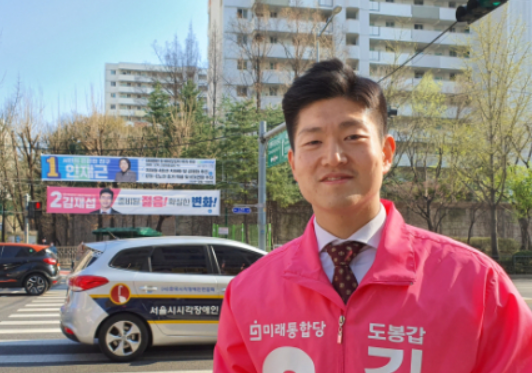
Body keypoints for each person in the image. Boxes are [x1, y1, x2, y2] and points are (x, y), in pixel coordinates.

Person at [214, 59, 532, 372]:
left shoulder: (476, 284)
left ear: (387, 153)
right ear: (294, 164)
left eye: (353, 137)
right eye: (313, 142)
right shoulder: (247, 294)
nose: (333, 157)